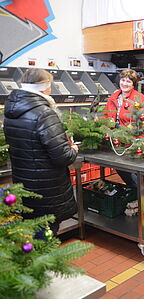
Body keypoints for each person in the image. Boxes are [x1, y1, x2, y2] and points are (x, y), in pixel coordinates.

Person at [3, 68, 79, 238]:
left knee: (33, 227)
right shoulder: (44, 113)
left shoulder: (11, 111)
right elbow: (62, 156)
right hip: (47, 186)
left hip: (24, 181)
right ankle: (45, 264)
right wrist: (73, 150)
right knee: (46, 231)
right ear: (45, 87)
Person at [103, 69, 144, 202]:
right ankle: (135, 195)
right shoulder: (114, 97)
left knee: (133, 172)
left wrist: (139, 141)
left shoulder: (139, 99)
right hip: (116, 140)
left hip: (132, 141)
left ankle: (143, 196)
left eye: (128, 81)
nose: (124, 83)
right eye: (123, 80)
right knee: (120, 168)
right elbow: (107, 115)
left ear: (133, 84)